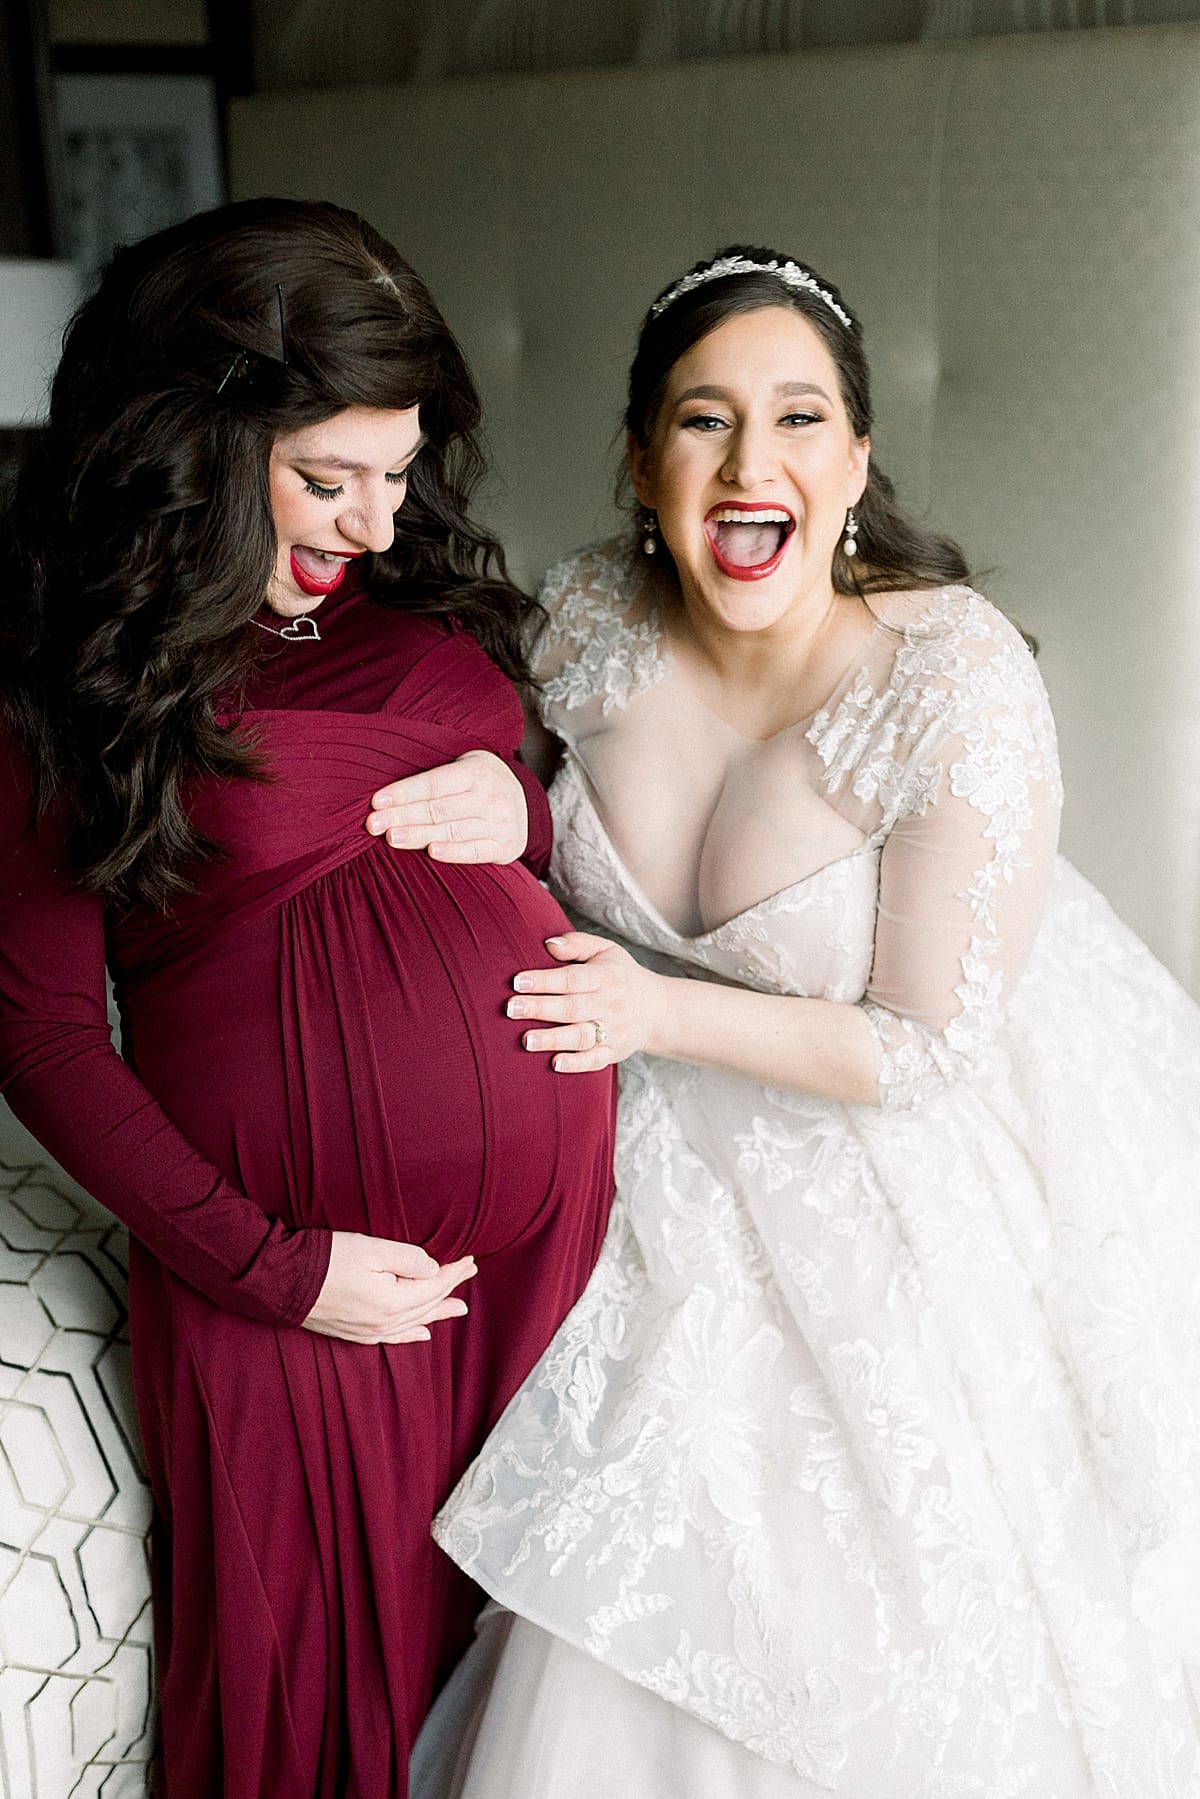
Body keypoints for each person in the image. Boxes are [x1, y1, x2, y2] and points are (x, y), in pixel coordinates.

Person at [400, 248, 1200, 1797]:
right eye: (704, 420)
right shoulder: (584, 617)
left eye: (797, 418)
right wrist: (508, 797)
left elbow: (928, 1047)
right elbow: (525, 797)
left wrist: (654, 1010)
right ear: (643, 459)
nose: (748, 461)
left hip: (881, 1158)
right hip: (625, 1147)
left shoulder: (951, 680)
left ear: (854, 462)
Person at [0, 198, 616, 1798]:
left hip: (534, 1264)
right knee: (318, 1725)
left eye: (400, 474)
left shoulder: (403, 603)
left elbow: (535, 807)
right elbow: (42, 1036)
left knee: (514, 1721)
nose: (375, 521)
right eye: (328, 478)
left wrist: (520, 803)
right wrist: (276, 1270)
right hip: (299, 1282)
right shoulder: (70, 676)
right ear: (198, 450)